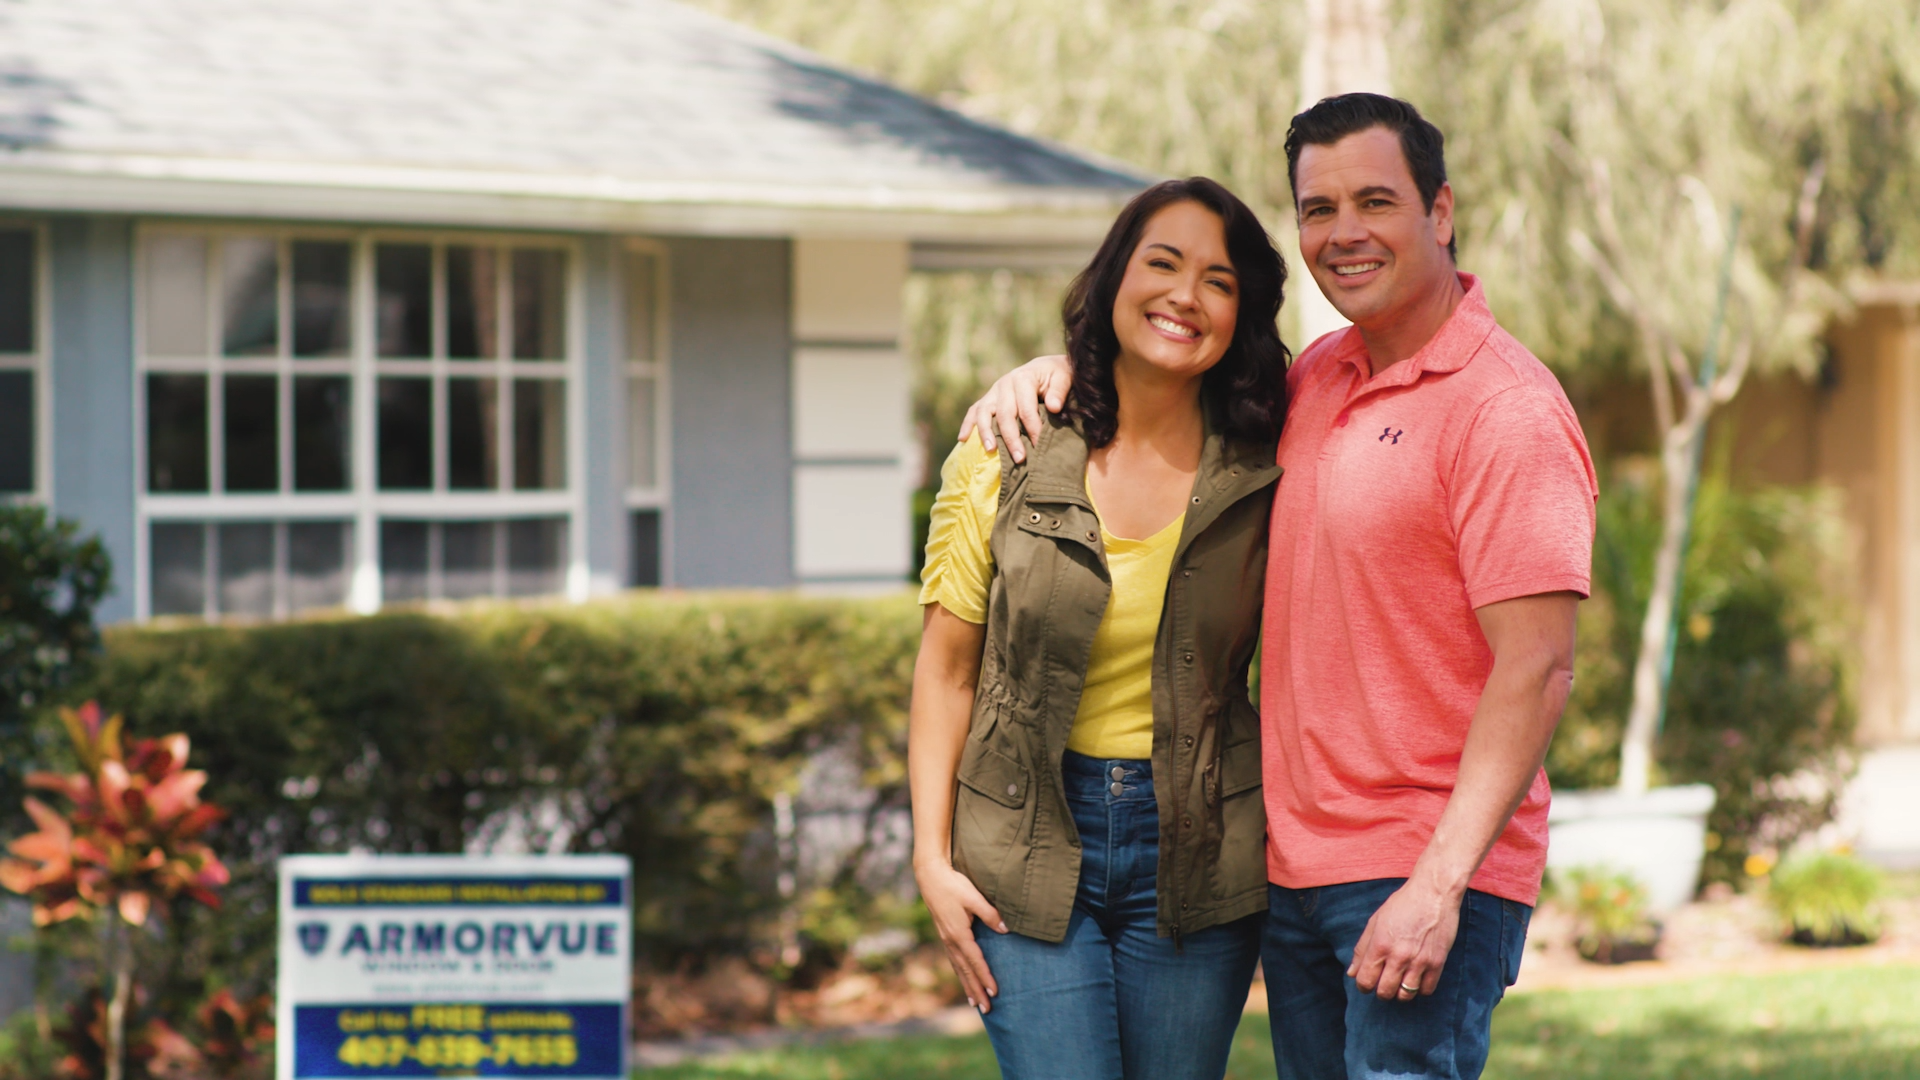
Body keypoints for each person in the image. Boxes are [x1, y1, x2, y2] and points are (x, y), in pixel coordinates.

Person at [961, 94, 1597, 1080]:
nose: (1344, 234)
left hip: (1420, 867)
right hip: (1293, 867)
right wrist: (1050, 372)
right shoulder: (1311, 383)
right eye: (1318, 208)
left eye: (1376, 202)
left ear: (1441, 212)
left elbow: (1540, 665)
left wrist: (1440, 884)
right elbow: (1158, 379)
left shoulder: (1504, 408)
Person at [909, 176, 1292, 1080]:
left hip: (1199, 842)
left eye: (1219, 281)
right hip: (1023, 834)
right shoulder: (1003, 449)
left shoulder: (1273, 462)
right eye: (1161, 263)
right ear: (1114, 274)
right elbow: (945, 672)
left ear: (1242, 312)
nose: (1184, 296)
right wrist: (930, 858)